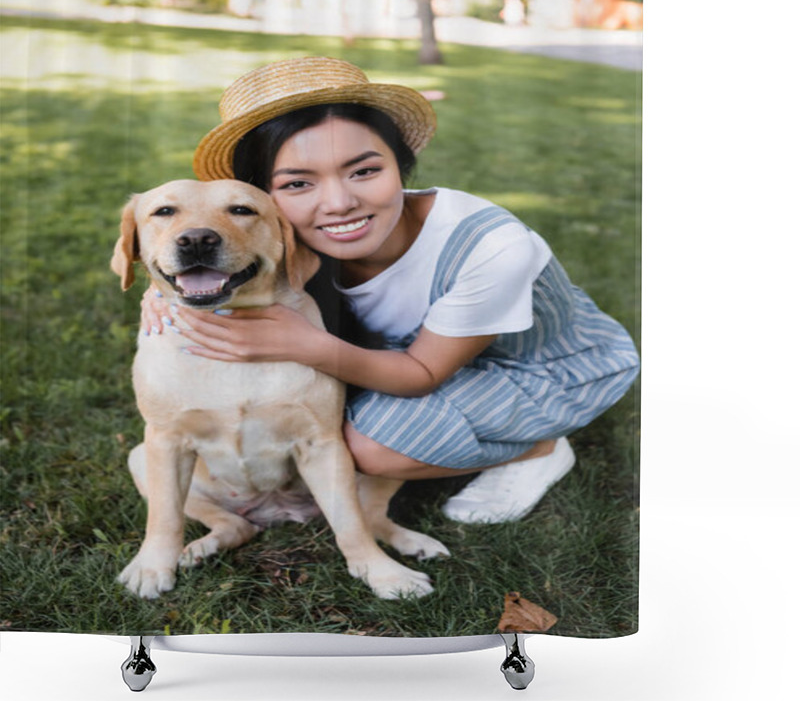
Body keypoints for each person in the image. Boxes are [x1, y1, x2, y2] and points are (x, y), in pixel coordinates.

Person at [142, 56, 640, 524]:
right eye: (298, 184)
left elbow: (421, 373)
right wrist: (170, 289)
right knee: (331, 413)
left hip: (538, 366)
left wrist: (309, 345)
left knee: (369, 447)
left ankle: (540, 447)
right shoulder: (286, 245)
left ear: (399, 164)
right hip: (413, 353)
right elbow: (207, 263)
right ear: (262, 201)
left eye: (365, 171)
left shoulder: (490, 246)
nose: (338, 203)